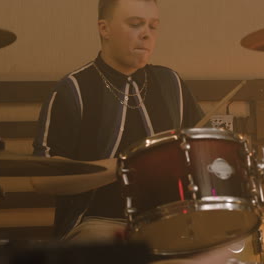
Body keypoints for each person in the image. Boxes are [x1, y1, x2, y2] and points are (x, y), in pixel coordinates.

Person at [33, 0, 203, 244]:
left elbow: (203, 148)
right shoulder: (74, 89)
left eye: (153, 26)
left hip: (171, 220)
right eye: (135, 24)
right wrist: (125, 166)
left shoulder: (170, 83)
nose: (146, 34)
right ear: (104, 29)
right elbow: (41, 179)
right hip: (98, 224)